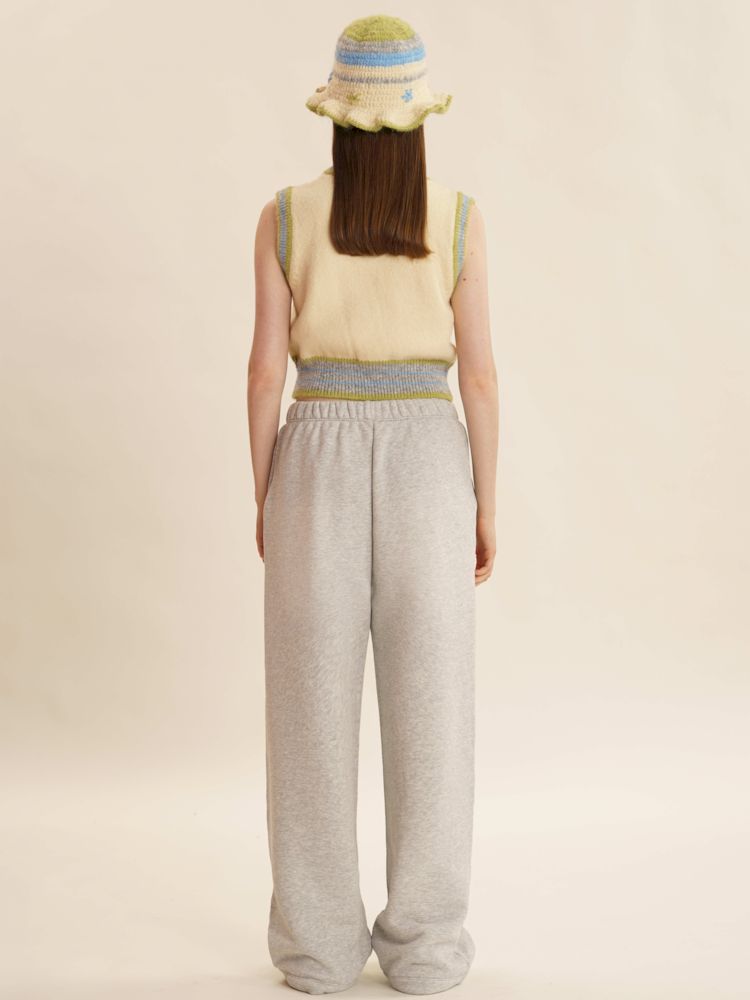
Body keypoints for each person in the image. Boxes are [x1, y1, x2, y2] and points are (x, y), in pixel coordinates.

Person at [247, 14, 498, 996]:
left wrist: (266, 491)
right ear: (419, 117)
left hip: (314, 448)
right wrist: (485, 501)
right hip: (432, 454)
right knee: (434, 713)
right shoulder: (460, 218)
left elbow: (264, 370)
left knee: (307, 713)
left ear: (337, 114)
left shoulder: (282, 217)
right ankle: (427, 950)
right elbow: (480, 377)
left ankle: (316, 950)